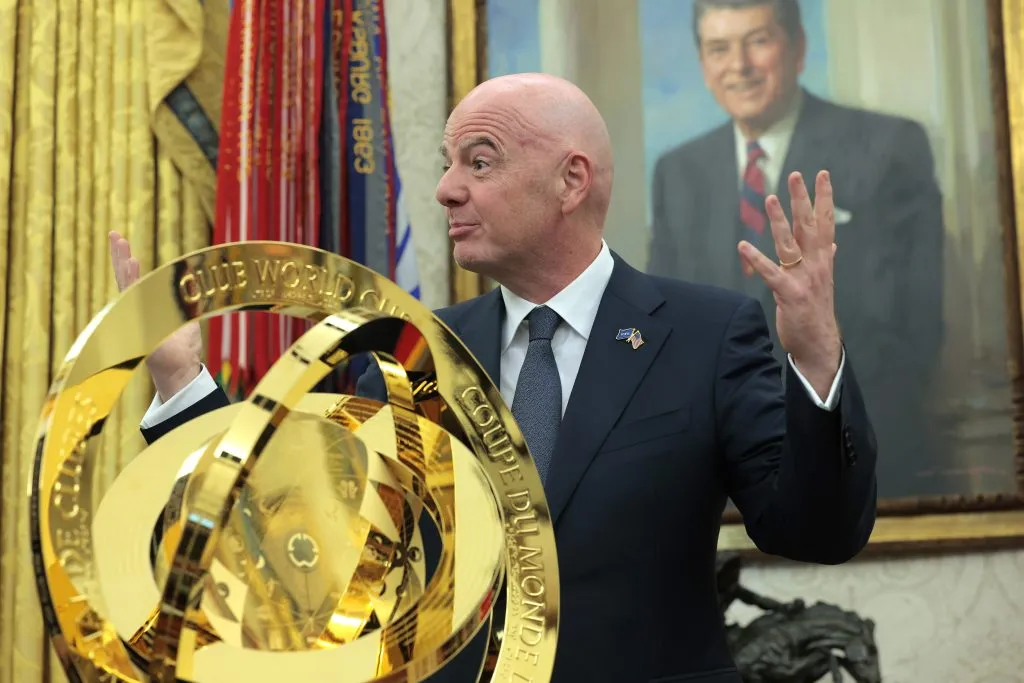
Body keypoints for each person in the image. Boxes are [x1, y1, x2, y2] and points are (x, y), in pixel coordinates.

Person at [110, 72, 877, 683]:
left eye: (478, 162)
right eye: (448, 164)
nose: (446, 188)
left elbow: (816, 530)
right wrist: (182, 382)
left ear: (570, 181)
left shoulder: (705, 334)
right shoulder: (407, 351)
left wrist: (815, 360)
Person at [648, 0, 944, 498]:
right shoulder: (677, 173)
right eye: (719, 48)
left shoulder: (889, 147)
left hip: (858, 458)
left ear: (799, 48)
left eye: (758, 41)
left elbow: (914, 332)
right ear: (703, 64)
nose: (738, 66)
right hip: (719, 472)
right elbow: (667, 334)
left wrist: (813, 428)